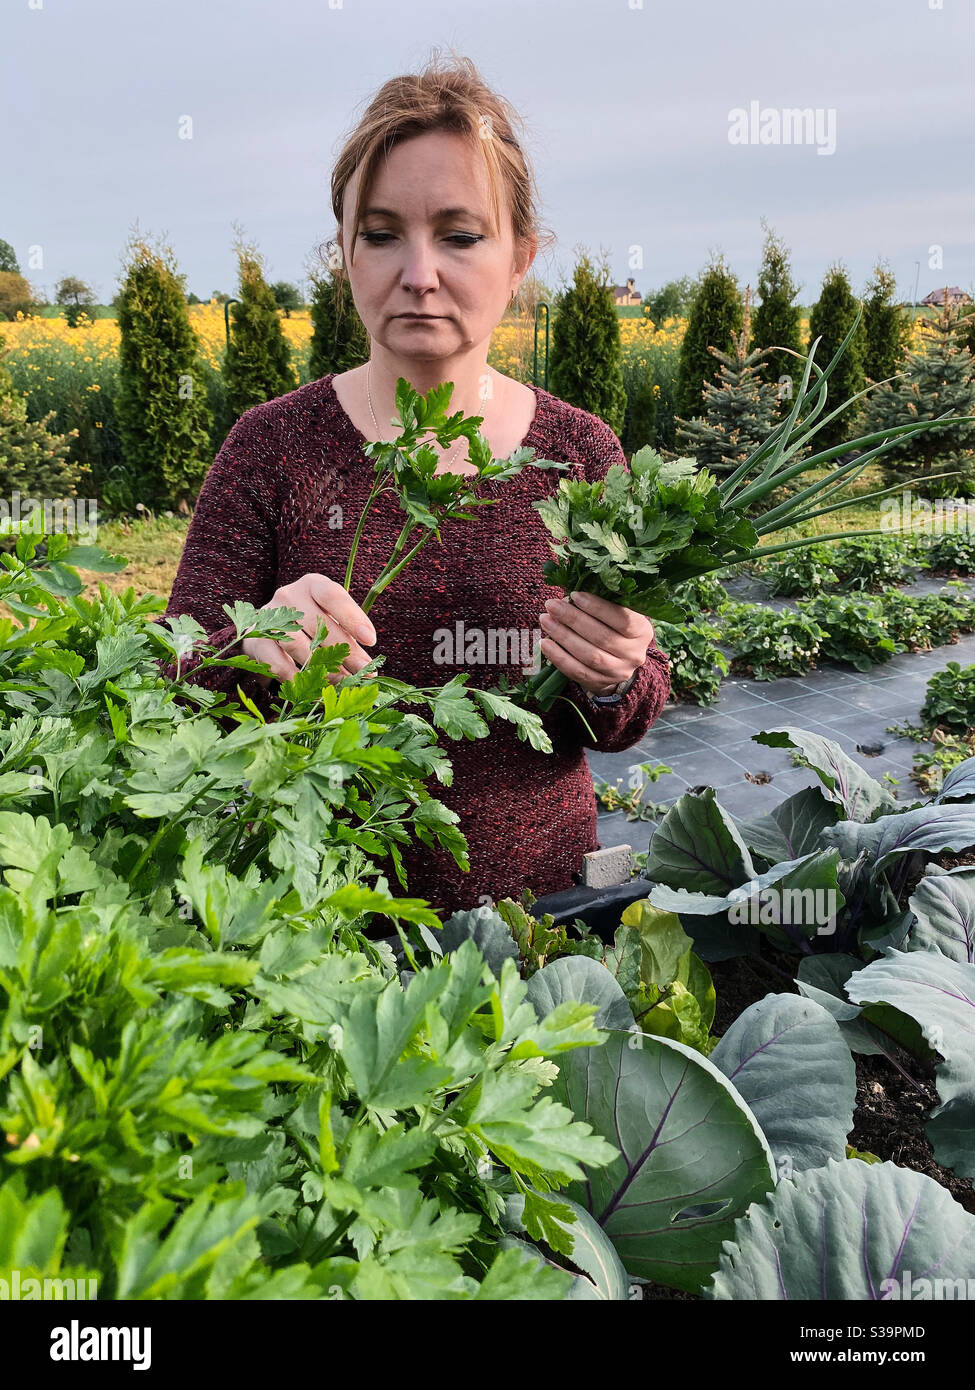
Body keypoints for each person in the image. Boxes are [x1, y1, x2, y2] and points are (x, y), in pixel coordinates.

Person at [157, 49, 670, 918]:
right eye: (382, 233)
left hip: (540, 919)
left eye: (461, 235)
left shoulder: (579, 450)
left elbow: (631, 706)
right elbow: (174, 670)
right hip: (316, 915)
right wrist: (256, 641)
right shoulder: (274, 445)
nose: (419, 272)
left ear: (519, 259)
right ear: (344, 255)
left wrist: (615, 674)